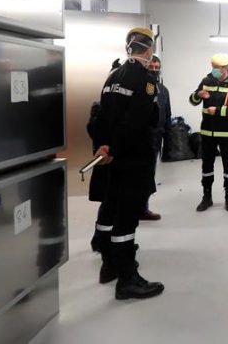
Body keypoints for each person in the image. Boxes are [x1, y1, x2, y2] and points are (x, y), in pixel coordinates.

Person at [91, 27, 165, 300]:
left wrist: (104, 146)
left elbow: (102, 116)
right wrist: (118, 147)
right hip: (133, 156)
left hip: (112, 155)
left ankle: (108, 264)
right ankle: (127, 278)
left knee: (111, 206)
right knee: (127, 215)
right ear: (147, 51)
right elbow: (136, 120)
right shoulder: (145, 79)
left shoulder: (113, 76)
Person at [188, 53, 228, 212]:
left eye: (218, 68)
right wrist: (197, 95)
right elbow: (193, 101)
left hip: (227, 134)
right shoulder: (206, 81)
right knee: (206, 166)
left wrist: (218, 111)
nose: (214, 70)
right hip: (207, 132)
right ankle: (207, 198)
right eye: (212, 67)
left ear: (226, 67)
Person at [142, 55, 171, 221]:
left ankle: (143, 208)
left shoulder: (163, 90)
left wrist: (167, 143)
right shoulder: (139, 86)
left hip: (156, 138)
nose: (154, 69)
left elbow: (167, 114)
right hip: (140, 138)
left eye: (156, 67)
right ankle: (133, 207)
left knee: (149, 174)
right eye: (151, 66)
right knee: (139, 174)